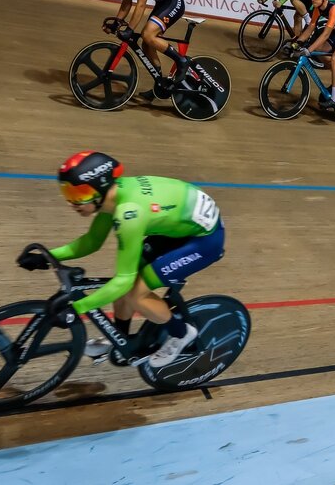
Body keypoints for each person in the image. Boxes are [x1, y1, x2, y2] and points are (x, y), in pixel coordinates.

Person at [16, 151, 226, 368]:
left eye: (79, 195)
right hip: (177, 229)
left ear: (100, 187)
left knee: (135, 293)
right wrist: (48, 257)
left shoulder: (129, 214)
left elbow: (124, 280)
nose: (72, 203)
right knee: (126, 285)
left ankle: (181, 333)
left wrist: (78, 308)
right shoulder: (112, 197)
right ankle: (119, 338)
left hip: (204, 242)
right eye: (68, 193)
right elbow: (91, 242)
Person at [105, 0, 187, 101]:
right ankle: (160, 83)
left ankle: (181, 61)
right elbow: (126, 4)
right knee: (146, 44)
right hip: (162, 2)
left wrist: (129, 28)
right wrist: (117, 22)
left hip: (173, 1)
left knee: (148, 35)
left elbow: (141, 4)